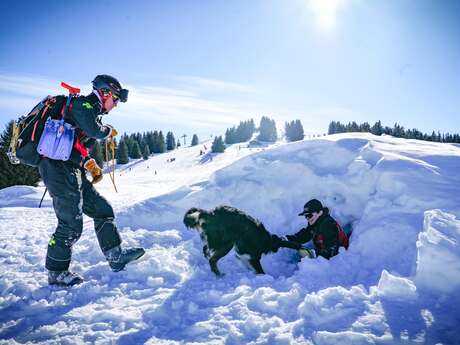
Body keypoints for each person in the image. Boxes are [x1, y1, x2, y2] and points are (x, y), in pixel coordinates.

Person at [40, 75, 145, 286]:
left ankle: (116, 257)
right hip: (56, 169)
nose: (115, 104)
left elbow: (74, 143)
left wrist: (88, 163)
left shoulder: (88, 111)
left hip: (70, 168)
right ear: (105, 92)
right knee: (70, 223)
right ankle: (56, 272)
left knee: (102, 209)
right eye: (115, 99)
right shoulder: (83, 104)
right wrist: (107, 131)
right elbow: (94, 131)